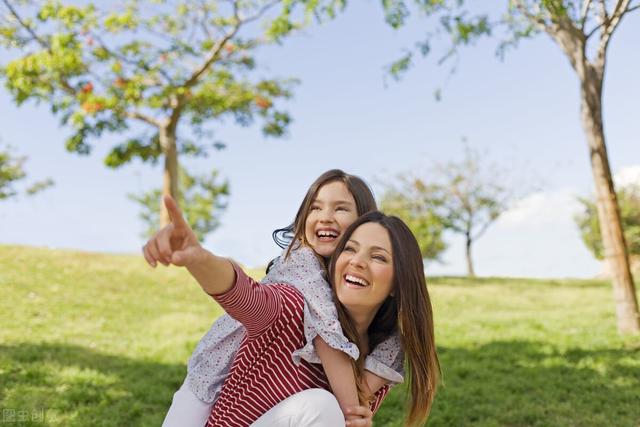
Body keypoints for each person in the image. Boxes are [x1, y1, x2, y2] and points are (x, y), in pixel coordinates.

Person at [146, 200, 440, 426]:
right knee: (320, 407)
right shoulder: (296, 307)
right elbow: (244, 295)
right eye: (349, 250)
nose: (358, 262)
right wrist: (199, 259)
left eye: (377, 257)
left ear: (398, 283)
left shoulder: (383, 354)